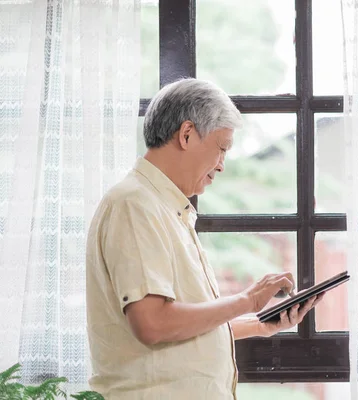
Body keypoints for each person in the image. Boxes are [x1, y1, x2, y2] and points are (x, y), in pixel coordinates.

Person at [85, 78, 321, 399]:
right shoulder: (135, 204)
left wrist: (257, 323)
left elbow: (177, 334)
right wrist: (246, 300)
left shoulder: (165, 209)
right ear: (186, 134)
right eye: (222, 148)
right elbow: (153, 324)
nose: (222, 166)